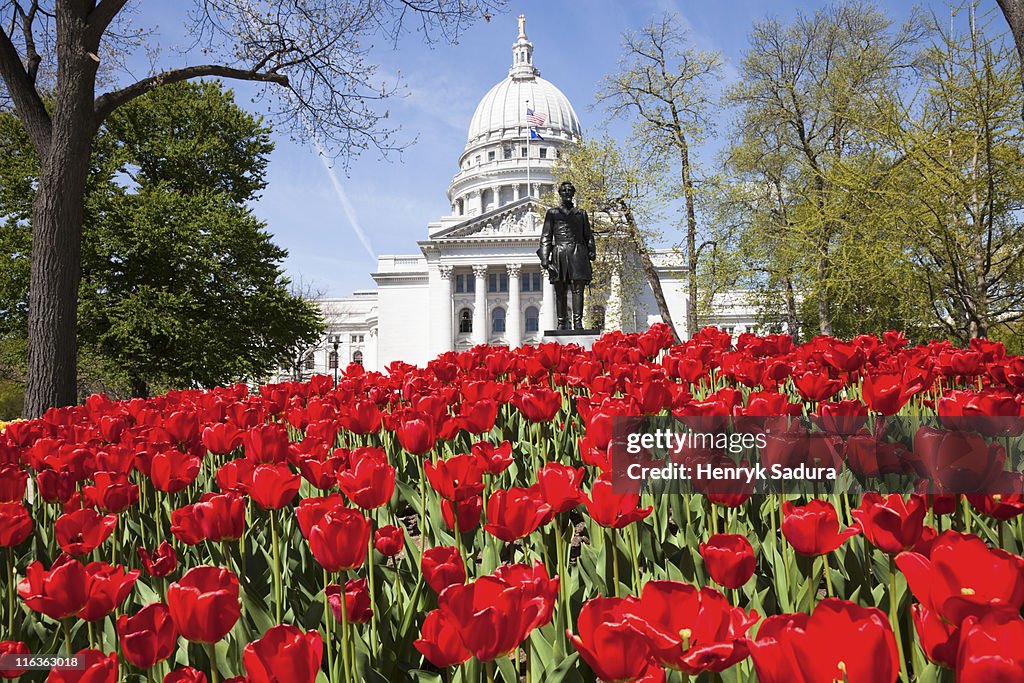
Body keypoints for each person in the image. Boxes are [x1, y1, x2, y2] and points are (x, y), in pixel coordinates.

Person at [537, 181, 596, 330]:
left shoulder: (581, 213)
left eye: (570, 191)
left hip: (578, 252)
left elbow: (588, 234)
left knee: (578, 290)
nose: (567, 193)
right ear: (560, 194)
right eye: (565, 191)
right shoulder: (553, 213)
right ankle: (561, 322)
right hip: (560, 252)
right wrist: (545, 259)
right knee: (560, 290)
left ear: (573, 193)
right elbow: (546, 236)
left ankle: (578, 322)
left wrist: (591, 250)